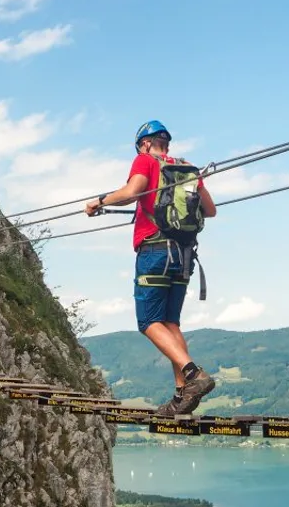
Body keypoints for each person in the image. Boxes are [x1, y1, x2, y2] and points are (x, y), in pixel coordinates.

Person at [85, 120, 217, 416]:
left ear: (145, 143)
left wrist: (100, 201)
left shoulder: (144, 160)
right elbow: (210, 210)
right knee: (170, 322)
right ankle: (182, 395)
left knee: (148, 322)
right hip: (184, 255)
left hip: (155, 250)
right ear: (166, 143)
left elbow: (133, 191)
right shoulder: (187, 168)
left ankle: (193, 374)